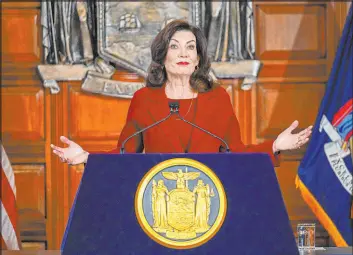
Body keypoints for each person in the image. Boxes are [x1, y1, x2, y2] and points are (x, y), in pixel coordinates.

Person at [51, 20, 312, 166]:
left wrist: (275, 146)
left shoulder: (218, 98)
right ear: (163, 56)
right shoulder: (144, 99)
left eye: (191, 47)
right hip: (159, 199)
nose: (184, 53)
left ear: (198, 59)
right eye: (175, 47)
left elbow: (236, 152)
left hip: (209, 197)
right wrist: (86, 157)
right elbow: (125, 154)